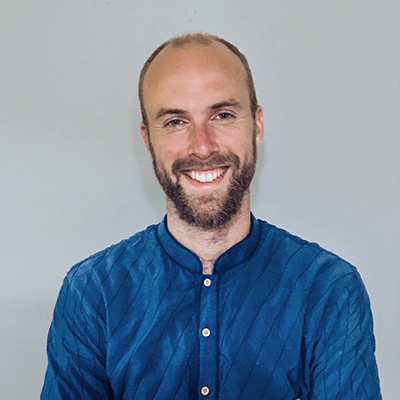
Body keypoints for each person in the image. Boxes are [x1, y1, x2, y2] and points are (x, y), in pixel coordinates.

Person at [41, 33, 381, 399]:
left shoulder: (328, 289)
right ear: (148, 139)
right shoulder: (92, 293)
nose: (202, 146)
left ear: (257, 126)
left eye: (222, 115)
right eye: (175, 121)